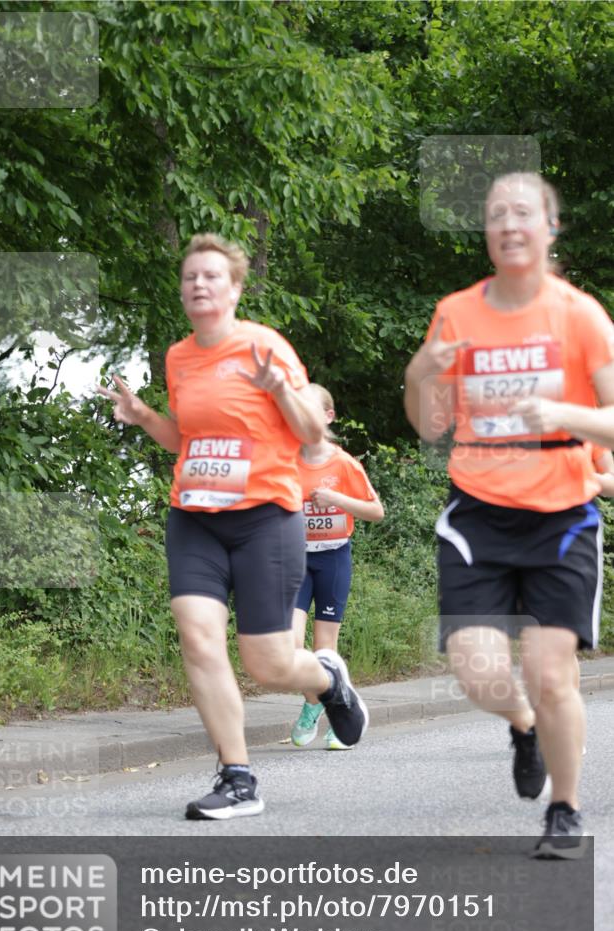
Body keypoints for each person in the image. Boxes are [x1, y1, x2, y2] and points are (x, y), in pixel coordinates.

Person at [97, 233, 368, 820]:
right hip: (195, 518)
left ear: (235, 288)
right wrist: (143, 415)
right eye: (190, 276)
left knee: (268, 665)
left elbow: (310, 434)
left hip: (265, 520)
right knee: (198, 637)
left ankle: (327, 680)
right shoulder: (179, 357)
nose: (199, 284)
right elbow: (185, 439)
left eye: (212, 276)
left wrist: (280, 390)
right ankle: (238, 777)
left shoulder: (265, 347)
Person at [404, 172, 614, 859]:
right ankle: (522, 725)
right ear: (487, 233)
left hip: (562, 515)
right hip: (478, 514)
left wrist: (561, 413)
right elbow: (428, 425)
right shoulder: (456, 313)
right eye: (496, 214)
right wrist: (419, 373)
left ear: (550, 228)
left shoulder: (579, 315)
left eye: (523, 212)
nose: (509, 224)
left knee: (551, 672)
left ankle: (564, 809)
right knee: (478, 673)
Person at [289, 384, 384, 750]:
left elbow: (376, 511)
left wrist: (336, 498)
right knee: (291, 647)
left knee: (325, 649)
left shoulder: (344, 464)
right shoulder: (286, 461)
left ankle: (336, 712)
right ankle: (316, 700)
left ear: (328, 416)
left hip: (333, 558)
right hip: (296, 560)